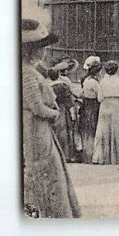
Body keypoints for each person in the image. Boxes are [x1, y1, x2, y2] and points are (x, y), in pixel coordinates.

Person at [21, 18, 80, 218]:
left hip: (39, 127)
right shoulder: (27, 73)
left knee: (47, 165)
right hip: (35, 127)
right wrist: (55, 113)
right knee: (43, 166)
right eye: (41, 47)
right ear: (31, 50)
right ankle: (47, 209)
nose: (44, 51)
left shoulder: (31, 71)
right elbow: (36, 106)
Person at [92, 61, 119, 165]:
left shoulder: (103, 82)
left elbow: (99, 98)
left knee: (104, 130)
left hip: (105, 105)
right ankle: (118, 156)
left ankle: (103, 156)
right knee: (117, 129)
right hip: (117, 104)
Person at [46, 67, 79, 163]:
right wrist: (73, 113)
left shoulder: (47, 87)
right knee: (65, 132)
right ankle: (67, 155)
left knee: (54, 131)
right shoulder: (63, 86)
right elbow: (69, 101)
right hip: (63, 110)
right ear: (59, 75)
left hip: (52, 110)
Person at [78, 56, 102, 163]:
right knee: (93, 128)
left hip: (86, 104)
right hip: (93, 105)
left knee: (86, 130)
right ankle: (92, 154)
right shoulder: (94, 82)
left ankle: (86, 154)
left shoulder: (86, 80)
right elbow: (99, 95)